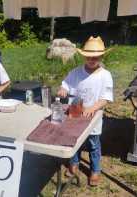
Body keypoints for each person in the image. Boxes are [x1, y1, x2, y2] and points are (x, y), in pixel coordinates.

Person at [57, 36, 114, 187]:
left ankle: (95, 170)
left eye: (95, 57)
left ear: (101, 56)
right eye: (89, 56)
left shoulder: (105, 75)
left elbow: (105, 99)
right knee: (73, 140)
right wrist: (63, 89)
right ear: (84, 56)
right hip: (75, 113)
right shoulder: (76, 72)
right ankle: (74, 163)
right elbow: (66, 84)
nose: (92, 59)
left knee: (93, 144)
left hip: (93, 116)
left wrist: (93, 108)